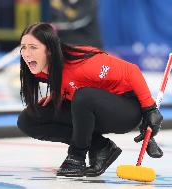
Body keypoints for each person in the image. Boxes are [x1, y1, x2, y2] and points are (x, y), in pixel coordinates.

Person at [17, 22, 163, 177]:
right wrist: (60, 92)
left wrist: (150, 109)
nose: (26, 53)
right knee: (28, 120)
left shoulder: (83, 65)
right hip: (92, 105)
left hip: (127, 110)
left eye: (33, 47)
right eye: (23, 47)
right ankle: (100, 147)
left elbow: (131, 71)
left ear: (50, 49)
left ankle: (77, 156)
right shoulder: (40, 69)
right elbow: (70, 80)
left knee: (83, 96)